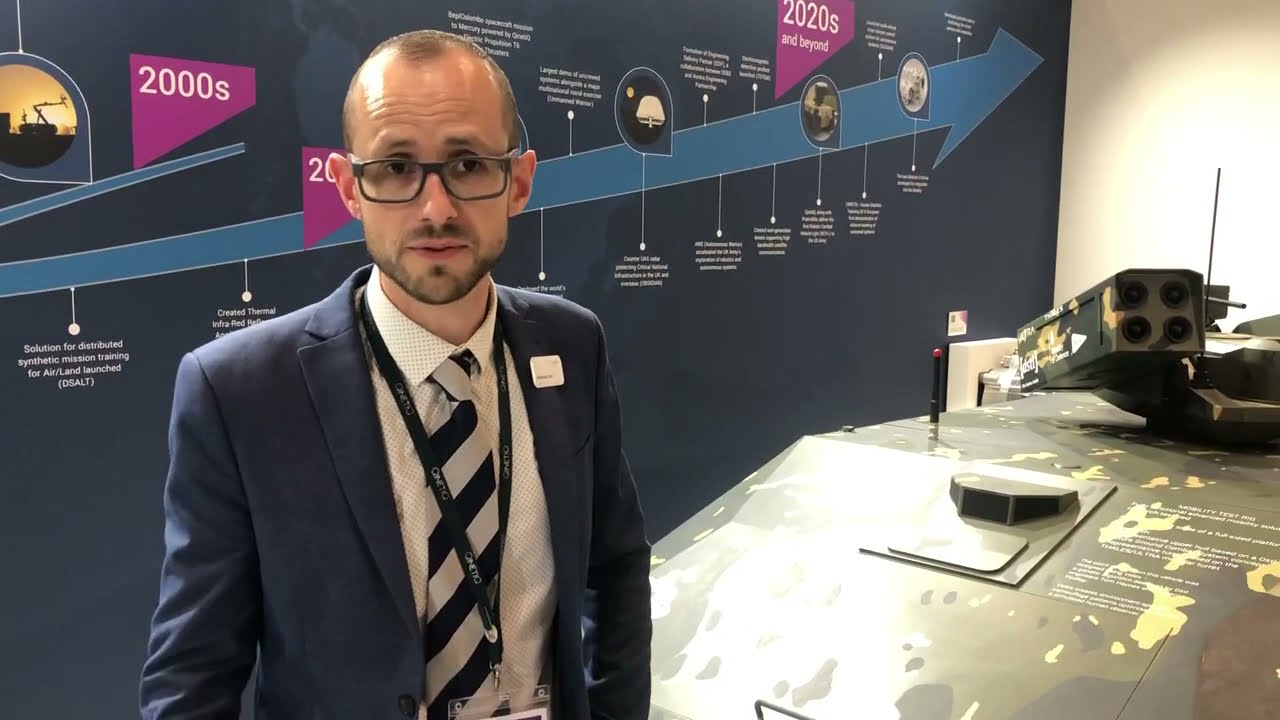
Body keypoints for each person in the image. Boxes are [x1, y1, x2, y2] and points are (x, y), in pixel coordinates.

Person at [138, 29, 653, 720]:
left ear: (519, 181)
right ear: (349, 187)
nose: (436, 208)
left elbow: (614, 566)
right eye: (395, 167)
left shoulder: (572, 343)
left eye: (469, 163)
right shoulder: (239, 393)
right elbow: (193, 675)